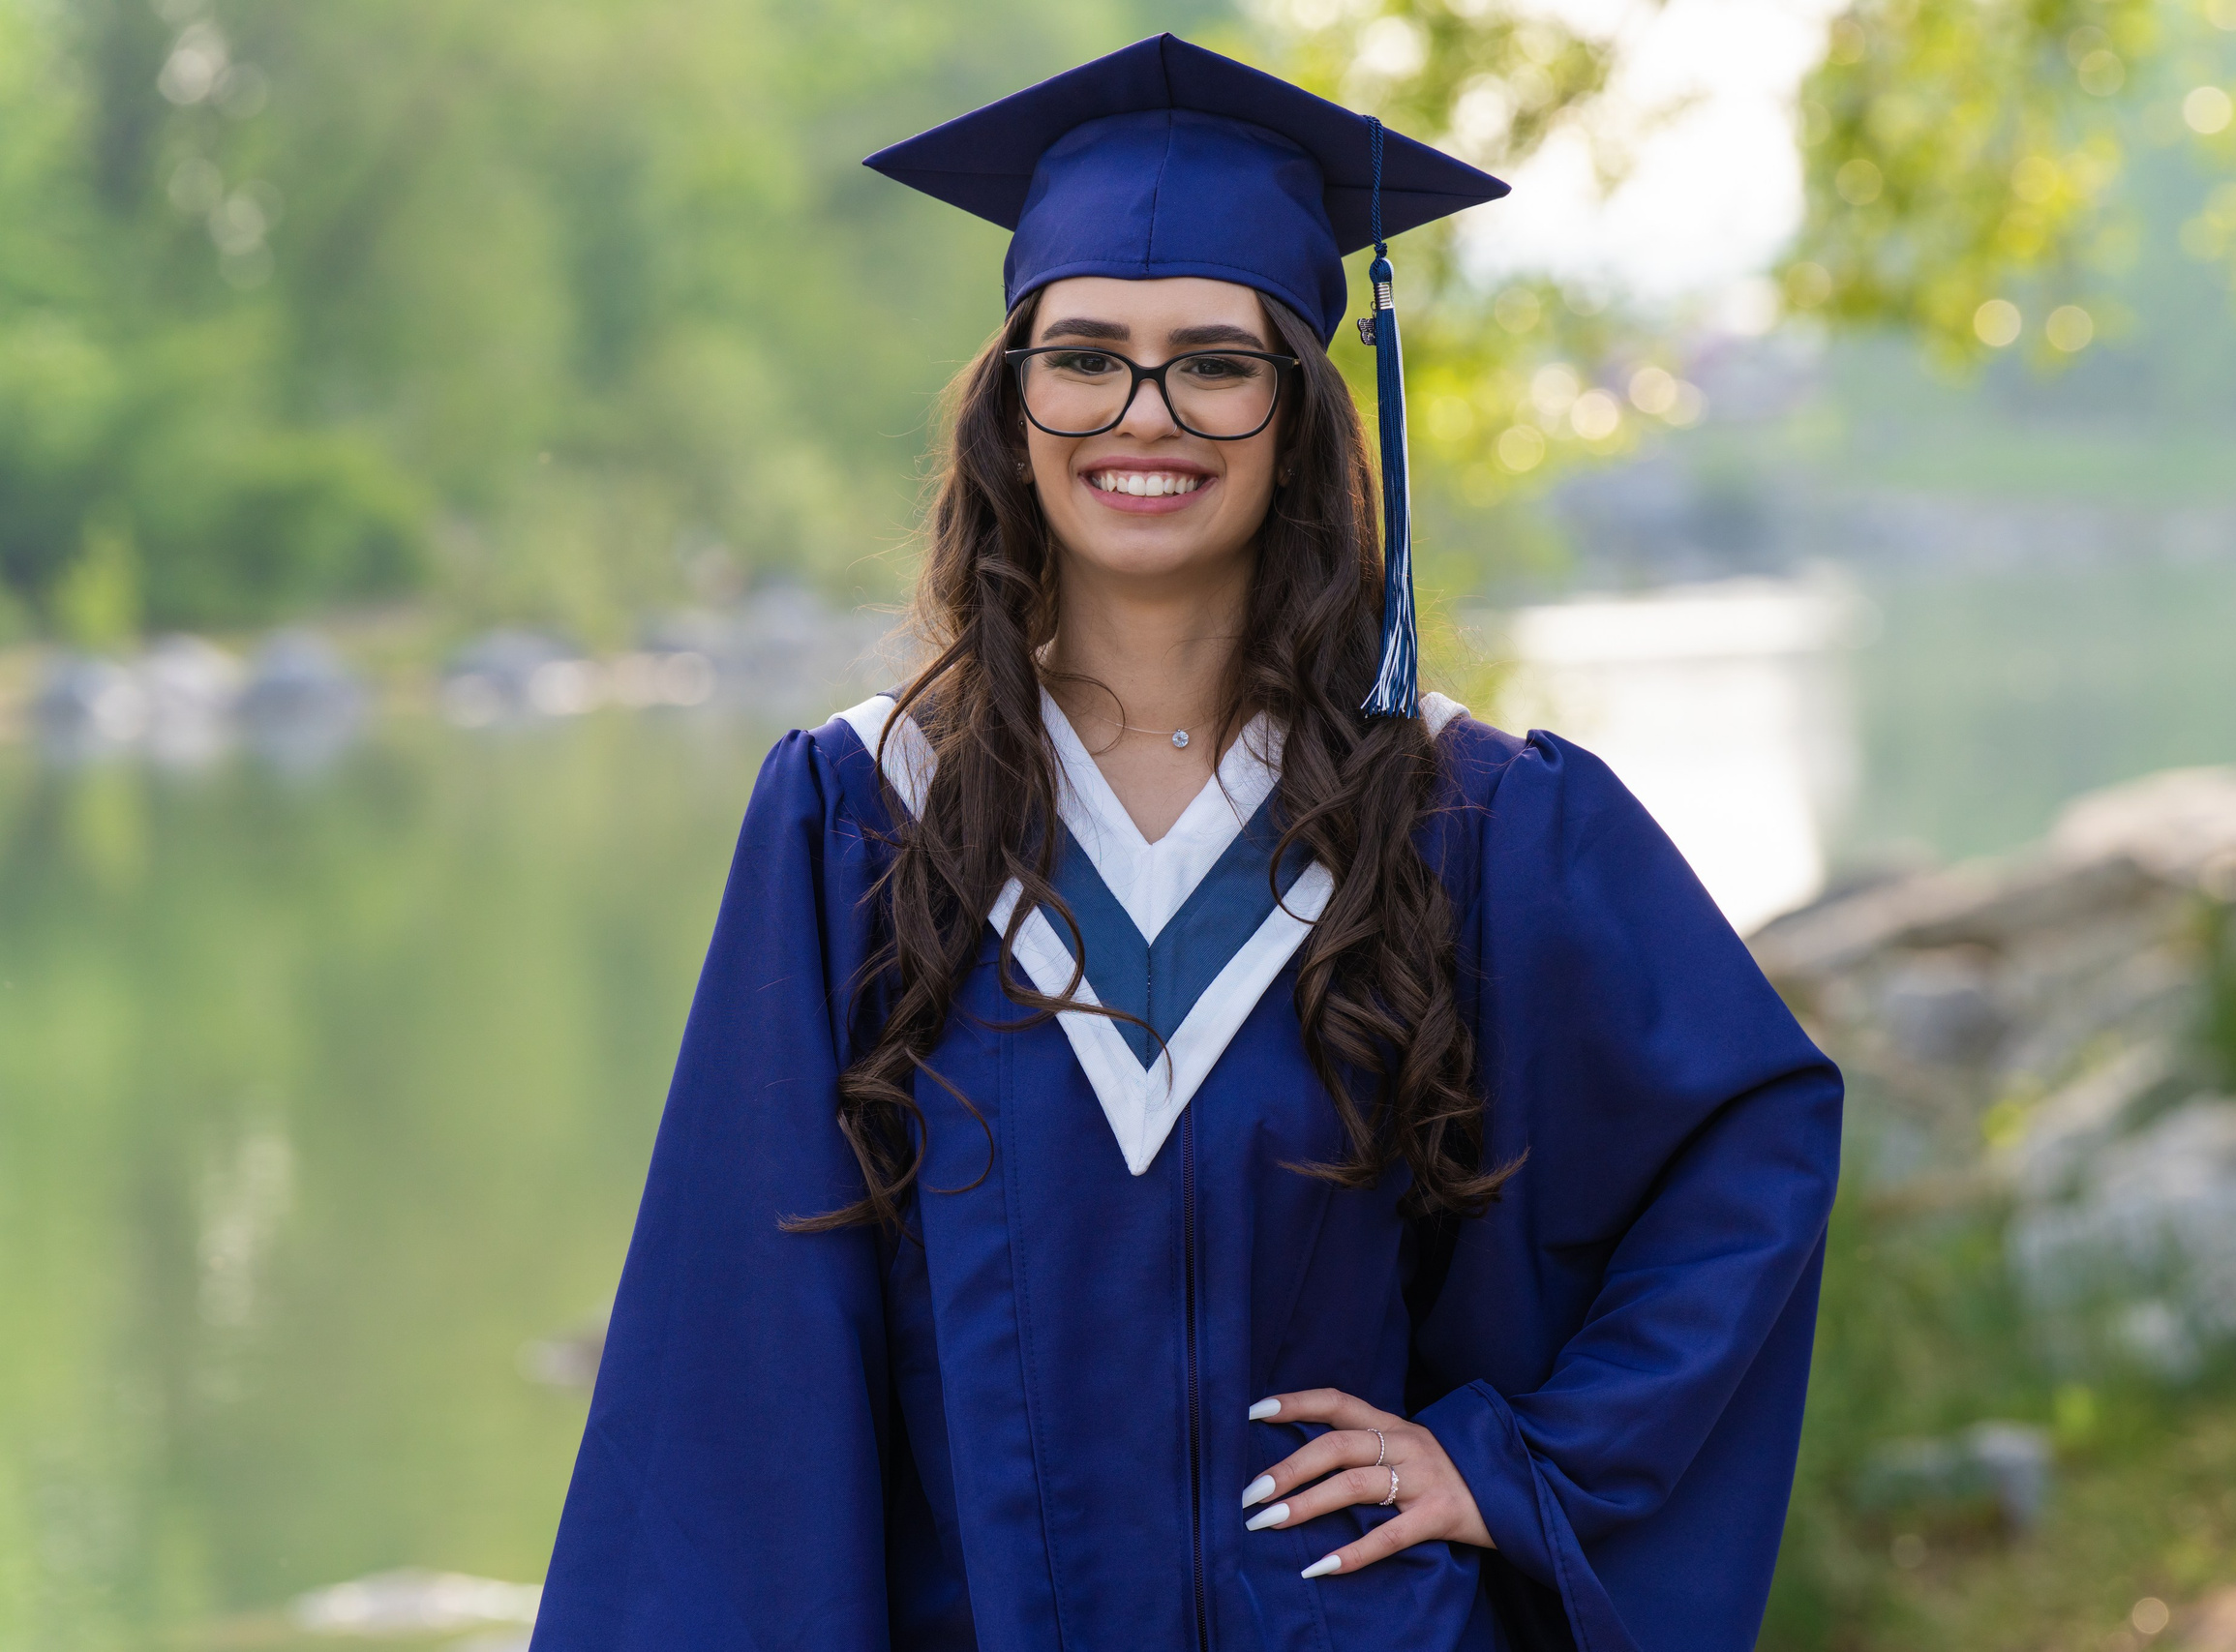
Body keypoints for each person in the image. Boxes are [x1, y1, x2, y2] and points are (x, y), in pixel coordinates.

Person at [533, 34, 1841, 1652]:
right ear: (1012, 406)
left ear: (1297, 413)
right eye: (1084, 356)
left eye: (1215, 362)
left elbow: (1745, 1146)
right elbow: (738, 1360)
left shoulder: (1467, 820)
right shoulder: (863, 820)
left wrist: (1517, 1465)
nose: (1141, 413)